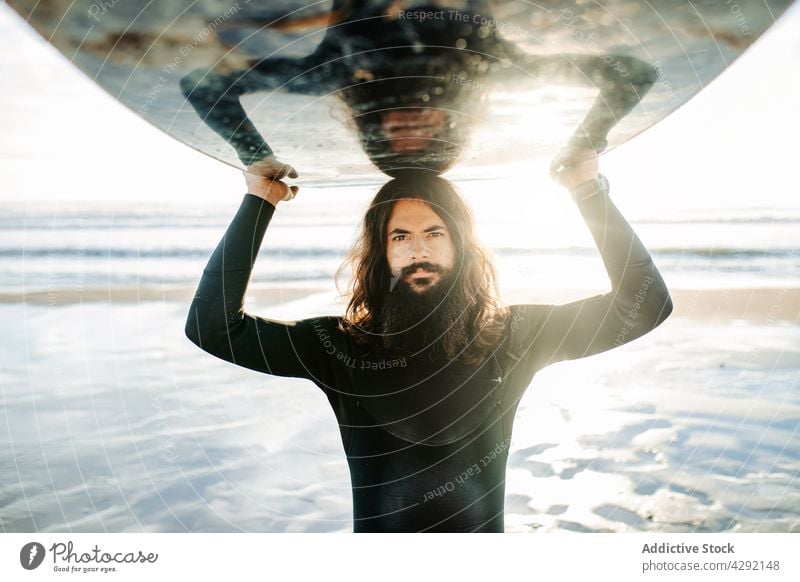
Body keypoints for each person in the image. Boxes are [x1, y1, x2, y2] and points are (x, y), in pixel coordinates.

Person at [184, 150, 674, 532]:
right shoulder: (339, 347)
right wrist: (260, 200)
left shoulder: (514, 336)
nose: (418, 250)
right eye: (399, 237)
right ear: (382, 252)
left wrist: (587, 189)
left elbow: (646, 304)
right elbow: (211, 327)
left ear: (461, 244)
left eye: (434, 233)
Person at [180, 1, 658, 177]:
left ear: (373, 134)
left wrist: (253, 153)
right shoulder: (492, 71)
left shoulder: (334, 73)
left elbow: (201, 83)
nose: (410, 126)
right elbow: (634, 72)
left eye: (396, 142)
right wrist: (584, 142)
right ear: (451, 131)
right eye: (425, 141)